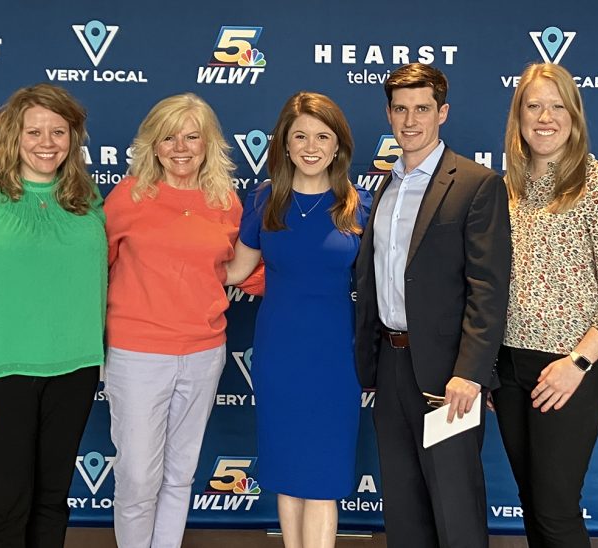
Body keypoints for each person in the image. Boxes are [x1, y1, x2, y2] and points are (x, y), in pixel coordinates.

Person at [0, 83, 106, 547]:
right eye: (34, 131)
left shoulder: (86, 200)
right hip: (2, 375)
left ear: (73, 138)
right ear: (13, 136)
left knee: (53, 500)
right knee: (6, 506)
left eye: (58, 131)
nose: (47, 142)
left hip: (75, 370)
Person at [354, 63, 512, 548]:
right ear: (388, 113)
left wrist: (471, 372)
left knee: (455, 511)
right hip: (393, 365)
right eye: (400, 109)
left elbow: (488, 286)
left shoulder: (475, 184)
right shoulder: (386, 187)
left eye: (422, 108)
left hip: (450, 378)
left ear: (441, 113)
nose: (410, 120)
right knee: (404, 510)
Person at [494, 63, 598, 548]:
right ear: (518, 117)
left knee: (556, 507)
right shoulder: (505, 191)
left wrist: (577, 362)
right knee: (533, 500)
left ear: (575, 117)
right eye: (533, 105)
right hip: (509, 366)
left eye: (557, 106)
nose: (545, 117)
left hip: (572, 367)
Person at [104, 93, 258, 548]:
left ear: (209, 143)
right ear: (153, 144)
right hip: (136, 354)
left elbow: (234, 268)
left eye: (193, 136)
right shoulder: (127, 197)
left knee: (180, 472)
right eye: (169, 137)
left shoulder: (226, 201)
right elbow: (96, 270)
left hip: (203, 352)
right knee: (136, 477)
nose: (181, 147)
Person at [225, 91, 371, 548]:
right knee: (287, 471)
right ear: (284, 145)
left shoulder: (360, 205)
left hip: (336, 358)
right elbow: (234, 271)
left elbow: (388, 283)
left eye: (322, 136)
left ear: (338, 146)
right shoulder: (264, 201)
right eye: (300, 136)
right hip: (278, 355)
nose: (311, 146)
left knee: (325, 476)